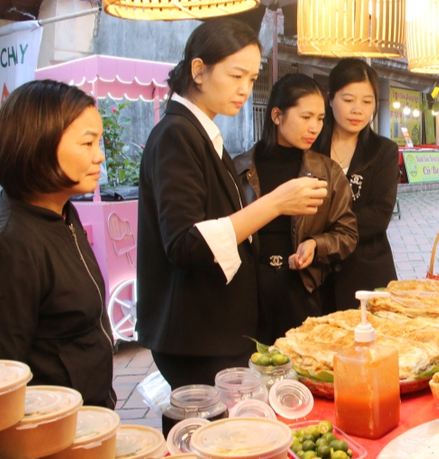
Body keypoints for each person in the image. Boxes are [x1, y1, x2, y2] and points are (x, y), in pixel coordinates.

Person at [138, 19, 328, 390]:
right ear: (198, 71)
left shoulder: (202, 132)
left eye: (252, 79)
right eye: (236, 75)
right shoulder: (177, 134)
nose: (245, 89)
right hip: (196, 334)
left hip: (213, 328)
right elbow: (184, 242)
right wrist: (274, 204)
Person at [0, 80, 115, 408]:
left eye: (99, 142)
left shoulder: (62, 211)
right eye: (87, 144)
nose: (100, 157)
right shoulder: (10, 245)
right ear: (38, 144)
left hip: (87, 421)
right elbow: (0, 381)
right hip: (52, 436)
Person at [235, 74, 357, 341]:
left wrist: (316, 244)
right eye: (306, 117)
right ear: (277, 115)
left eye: (320, 119)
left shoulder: (327, 171)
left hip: (302, 288)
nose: (315, 127)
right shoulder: (239, 169)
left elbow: (348, 234)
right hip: (247, 290)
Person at [314, 58, 400, 311]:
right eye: (348, 100)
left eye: (367, 101)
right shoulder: (311, 147)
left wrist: (321, 230)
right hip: (316, 274)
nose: (358, 109)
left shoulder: (384, 150)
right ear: (330, 99)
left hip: (367, 274)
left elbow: (379, 215)